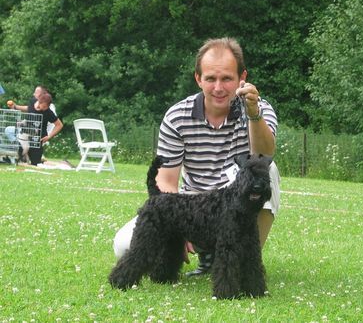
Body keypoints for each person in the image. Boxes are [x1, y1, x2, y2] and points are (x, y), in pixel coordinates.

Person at [113, 37, 280, 276]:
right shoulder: (177, 116)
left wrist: (253, 114)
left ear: (242, 78)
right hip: (192, 207)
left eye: (227, 78)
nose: (219, 88)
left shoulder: (259, 109)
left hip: (235, 205)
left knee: (267, 172)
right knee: (123, 245)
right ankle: (193, 256)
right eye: (211, 78)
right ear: (198, 78)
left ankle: (243, 263)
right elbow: (166, 180)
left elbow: (264, 155)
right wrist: (177, 223)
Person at [8, 91, 63, 165]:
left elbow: (59, 125)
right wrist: (16, 107)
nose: (43, 109)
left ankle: (51, 162)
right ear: (38, 101)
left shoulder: (48, 112)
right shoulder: (32, 101)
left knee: (36, 163)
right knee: (21, 159)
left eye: (46, 107)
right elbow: (28, 108)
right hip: (24, 137)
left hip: (37, 140)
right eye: (43, 106)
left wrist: (49, 136)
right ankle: (21, 158)